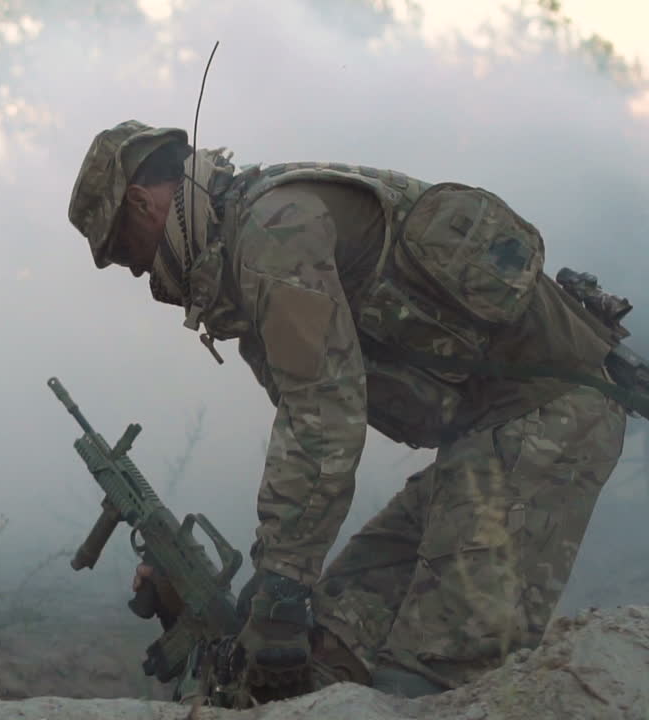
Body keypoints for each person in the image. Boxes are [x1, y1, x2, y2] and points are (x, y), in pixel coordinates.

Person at [67, 120, 634, 705]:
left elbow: (322, 416)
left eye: (124, 251)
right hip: (483, 442)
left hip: (548, 416)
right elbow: (310, 420)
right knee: (331, 652)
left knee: (428, 678)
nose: (138, 273)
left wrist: (282, 584)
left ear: (140, 203)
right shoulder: (244, 245)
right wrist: (248, 601)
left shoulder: (272, 231)